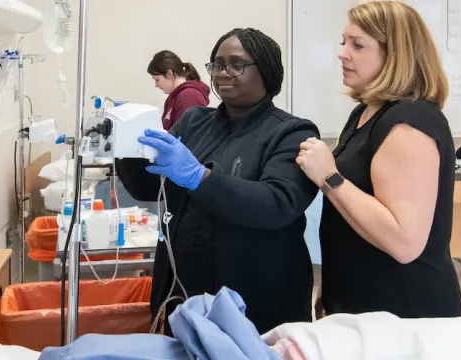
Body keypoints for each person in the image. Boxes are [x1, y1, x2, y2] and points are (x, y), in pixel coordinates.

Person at [116, 28, 320, 334]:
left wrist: (200, 177)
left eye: (236, 65)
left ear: (266, 71)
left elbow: (276, 203)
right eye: (217, 65)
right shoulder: (194, 122)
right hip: (184, 293)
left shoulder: (292, 133)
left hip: (256, 303)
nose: (223, 73)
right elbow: (148, 187)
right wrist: (126, 146)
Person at [294, 0, 461, 318]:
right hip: (361, 302)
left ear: (395, 55)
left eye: (358, 45)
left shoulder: (409, 122)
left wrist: (329, 177)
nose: (343, 53)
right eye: (344, 42)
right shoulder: (366, 112)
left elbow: (404, 243)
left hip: (405, 312)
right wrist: (331, 288)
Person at [147, 50, 211, 130]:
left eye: (157, 79)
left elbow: (185, 135)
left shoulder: (189, 97)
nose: (156, 85)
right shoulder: (174, 97)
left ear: (169, 74)